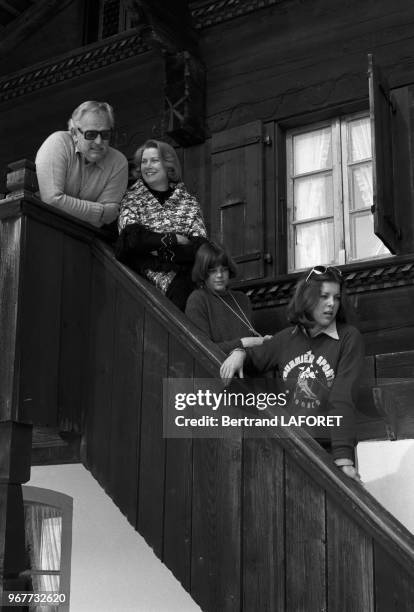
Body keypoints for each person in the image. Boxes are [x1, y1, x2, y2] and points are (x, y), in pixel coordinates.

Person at [220, 265, 365, 481]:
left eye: (336, 298)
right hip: (289, 448)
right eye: (324, 296)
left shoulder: (348, 338)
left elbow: (343, 397)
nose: (331, 304)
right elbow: (251, 360)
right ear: (307, 298)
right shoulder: (286, 338)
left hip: (328, 452)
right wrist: (239, 351)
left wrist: (344, 459)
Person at [116, 139, 207, 310]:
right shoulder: (131, 199)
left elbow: (200, 246)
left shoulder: (189, 202)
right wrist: (174, 239)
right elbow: (131, 241)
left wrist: (155, 246)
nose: (147, 166)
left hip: (189, 278)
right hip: (146, 282)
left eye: (154, 160)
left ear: (168, 165)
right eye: (144, 161)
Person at [35, 100, 128, 228]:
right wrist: (99, 211)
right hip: (41, 227)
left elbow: (103, 221)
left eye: (105, 134)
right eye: (91, 134)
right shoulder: (58, 143)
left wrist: (67, 205)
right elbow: (51, 200)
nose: (99, 141)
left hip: (83, 239)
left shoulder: (118, 162)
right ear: (74, 134)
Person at [185, 241, 271, 353]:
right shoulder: (197, 300)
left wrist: (264, 342)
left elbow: (253, 346)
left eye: (224, 269)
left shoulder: (242, 299)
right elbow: (203, 350)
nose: (219, 275)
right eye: (213, 271)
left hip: (248, 366)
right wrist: (243, 343)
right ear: (203, 272)